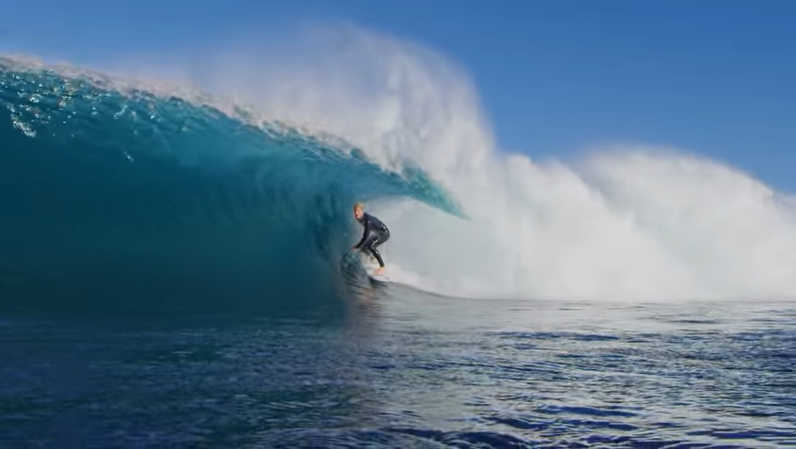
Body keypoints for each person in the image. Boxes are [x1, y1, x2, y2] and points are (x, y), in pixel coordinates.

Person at [351, 202, 390, 275]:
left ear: (362, 211)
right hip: (379, 233)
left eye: (358, 211)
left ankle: (382, 267)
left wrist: (357, 246)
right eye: (355, 211)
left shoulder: (368, 221)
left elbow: (365, 237)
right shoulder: (360, 217)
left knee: (370, 246)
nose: (356, 213)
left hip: (384, 233)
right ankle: (373, 258)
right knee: (364, 247)